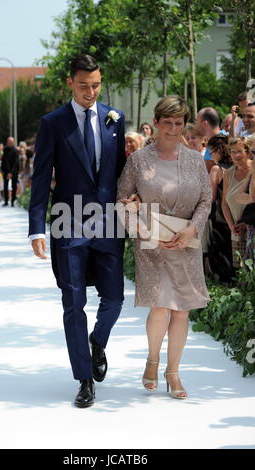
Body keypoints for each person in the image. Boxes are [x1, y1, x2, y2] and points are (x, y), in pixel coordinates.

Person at [28, 54, 127, 408]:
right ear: (70, 83)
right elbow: (40, 179)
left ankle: (96, 342)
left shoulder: (115, 119)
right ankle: (84, 378)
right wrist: (36, 229)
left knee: (114, 297)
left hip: (108, 223)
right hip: (68, 222)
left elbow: (120, 172)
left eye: (96, 84)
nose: (91, 91)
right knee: (73, 303)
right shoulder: (52, 123)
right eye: (84, 85)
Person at [117, 95, 212, 399]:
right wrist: (144, 232)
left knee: (181, 310)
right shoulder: (138, 160)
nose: (173, 128)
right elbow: (121, 201)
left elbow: (205, 201)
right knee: (160, 307)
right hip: (152, 243)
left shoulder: (196, 161)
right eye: (167, 122)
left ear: (185, 125)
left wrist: (191, 229)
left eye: (179, 123)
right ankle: (152, 359)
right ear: (155, 123)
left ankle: (174, 372)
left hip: (186, 242)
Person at [221, 137, 252, 269]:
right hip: (236, 229)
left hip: (252, 227)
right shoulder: (228, 173)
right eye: (232, 152)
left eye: (239, 151)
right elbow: (224, 203)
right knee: (241, 272)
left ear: (248, 152)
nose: (236, 155)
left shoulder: (254, 170)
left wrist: (246, 224)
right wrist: (231, 226)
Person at [206, 135, 233, 281]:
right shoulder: (237, 167)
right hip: (237, 216)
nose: (210, 155)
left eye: (211, 151)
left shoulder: (217, 169)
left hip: (220, 217)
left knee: (220, 254)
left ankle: (222, 283)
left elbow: (211, 198)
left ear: (219, 150)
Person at [195, 107, 226, 173]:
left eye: (196, 121)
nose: (195, 126)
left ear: (205, 124)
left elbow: (204, 172)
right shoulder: (219, 139)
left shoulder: (220, 142)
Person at [1, 137, 20, 207]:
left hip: (14, 171)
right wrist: (4, 170)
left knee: (13, 186)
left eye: (11, 142)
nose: (10, 143)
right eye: (8, 141)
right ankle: (6, 201)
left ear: (13, 142)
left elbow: (16, 163)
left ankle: (13, 201)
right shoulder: (5, 149)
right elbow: (4, 161)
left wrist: (11, 172)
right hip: (6, 171)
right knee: (5, 186)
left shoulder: (16, 151)